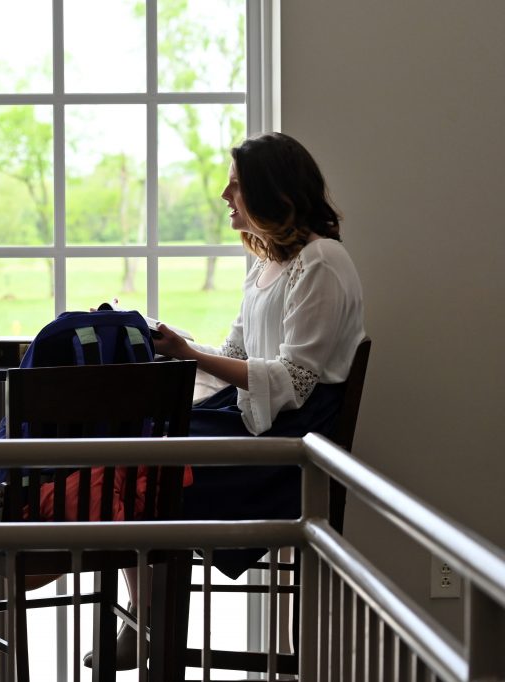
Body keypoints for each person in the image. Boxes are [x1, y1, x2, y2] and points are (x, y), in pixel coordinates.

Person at [88, 132, 366, 669]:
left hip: (290, 450)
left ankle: (145, 614)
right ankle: (143, 606)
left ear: (271, 193)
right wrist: (173, 348)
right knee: (132, 437)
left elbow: (293, 381)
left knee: (150, 462)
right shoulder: (268, 267)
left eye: (236, 185)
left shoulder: (322, 263)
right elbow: (236, 355)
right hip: (254, 424)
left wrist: (190, 353)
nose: (224, 195)